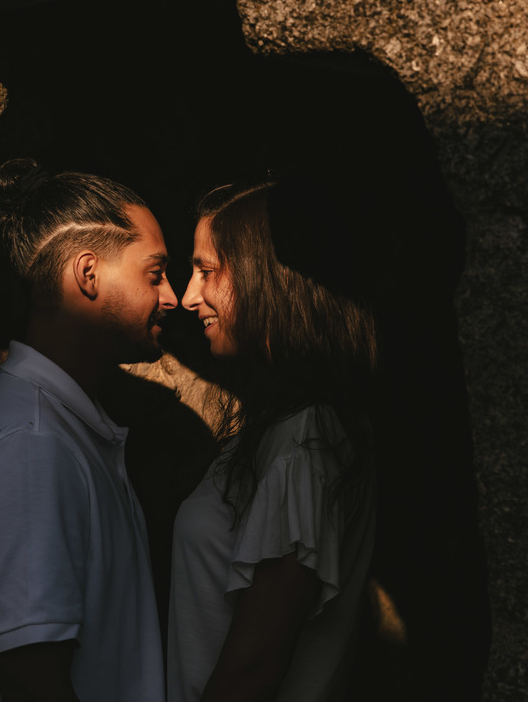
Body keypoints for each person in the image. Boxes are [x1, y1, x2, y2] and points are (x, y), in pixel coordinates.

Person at [0, 158, 177, 702]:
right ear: (87, 275)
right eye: (155, 274)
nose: (173, 296)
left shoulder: (55, 426)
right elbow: (33, 682)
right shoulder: (32, 443)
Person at [169, 180, 379, 702]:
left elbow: (254, 669)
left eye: (206, 270)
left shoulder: (305, 442)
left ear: (262, 275)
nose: (189, 297)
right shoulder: (291, 427)